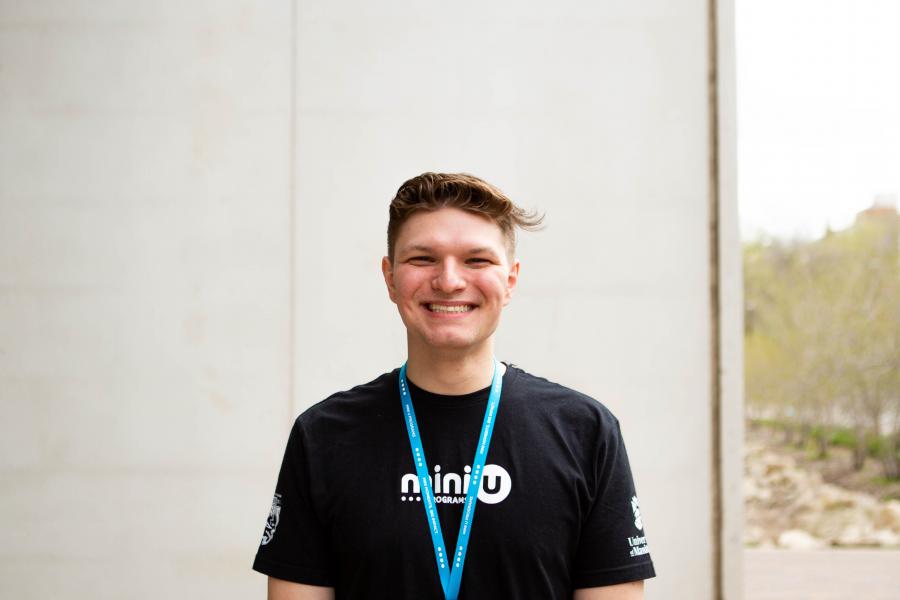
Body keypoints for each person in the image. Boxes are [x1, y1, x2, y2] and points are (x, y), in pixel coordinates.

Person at [253, 173, 656, 599]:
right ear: (390, 278)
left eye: (476, 260)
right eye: (423, 258)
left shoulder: (585, 431)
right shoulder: (323, 435)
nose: (448, 281)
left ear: (510, 280)